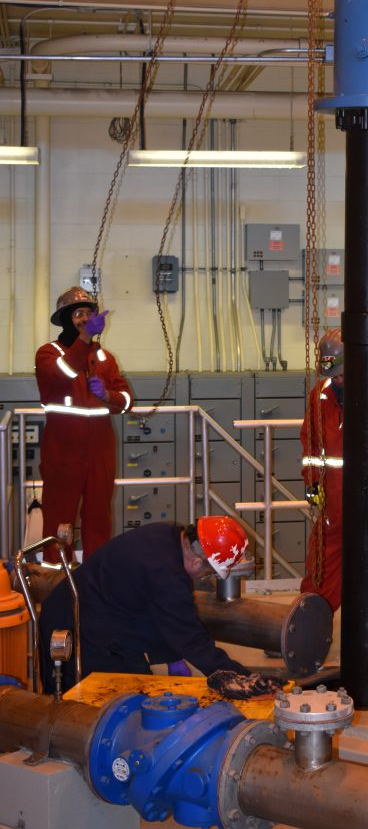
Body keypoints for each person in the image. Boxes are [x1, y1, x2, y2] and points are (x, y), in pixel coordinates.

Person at [38, 516, 252, 694]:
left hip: (94, 615)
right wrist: (243, 678)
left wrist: (171, 656)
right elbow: (190, 637)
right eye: (207, 572)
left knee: (141, 693)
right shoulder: (166, 574)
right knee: (108, 711)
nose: (202, 577)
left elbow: (152, 608)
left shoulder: (166, 535)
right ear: (197, 562)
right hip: (75, 630)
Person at [35, 287, 133, 563]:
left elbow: (126, 401)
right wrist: (86, 338)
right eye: (79, 314)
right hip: (63, 452)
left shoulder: (105, 359)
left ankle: (96, 575)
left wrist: (108, 396)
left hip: (100, 452)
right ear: (66, 319)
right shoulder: (47, 354)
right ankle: (56, 578)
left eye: (89, 314)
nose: (85, 320)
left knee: (99, 517)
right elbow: (62, 373)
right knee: (58, 518)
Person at [300, 329, 344, 612]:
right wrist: (312, 484)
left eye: (342, 373)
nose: (337, 379)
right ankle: (304, 624)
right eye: (333, 373)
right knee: (321, 563)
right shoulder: (321, 395)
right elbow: (311, 447)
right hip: (333, 500)